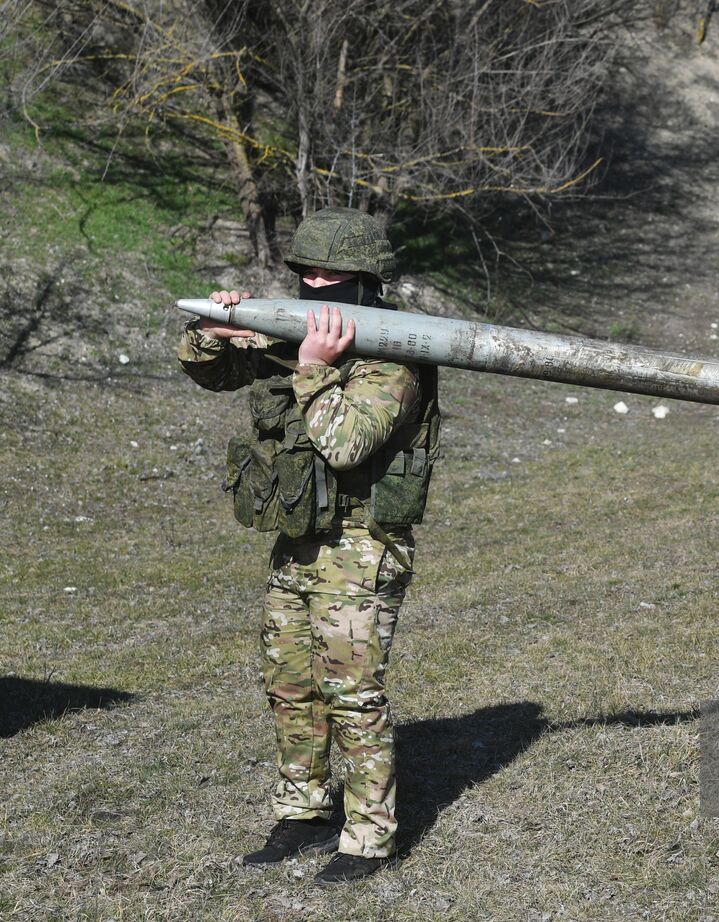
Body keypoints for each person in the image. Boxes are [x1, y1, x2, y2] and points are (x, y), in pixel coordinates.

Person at [178, 207, 440, 881]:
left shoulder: (396, 355)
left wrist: (315, 367)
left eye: (334, 272)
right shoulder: (292, 334)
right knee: (290, 686)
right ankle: (302, 813)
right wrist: (212, 332)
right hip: (296, 541)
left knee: (352, 695)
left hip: (362, 546)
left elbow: (345, 442)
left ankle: (368, 836)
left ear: (365, 279)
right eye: (308, 271)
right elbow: (210, 373)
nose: (317, 283)